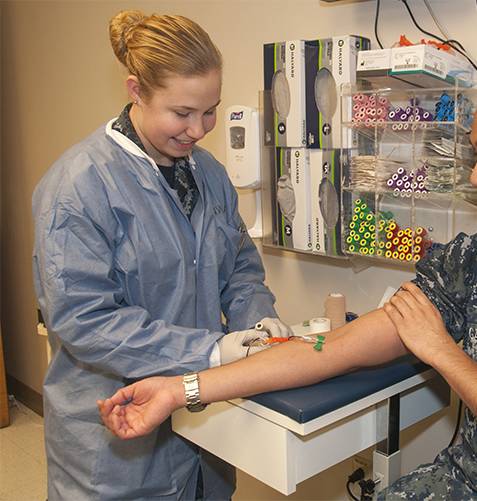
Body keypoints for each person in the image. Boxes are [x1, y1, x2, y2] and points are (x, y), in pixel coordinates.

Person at [99, 53, 477, 500]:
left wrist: (444, 355)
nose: (475, 175)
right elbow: (341, 346)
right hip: (462, 485)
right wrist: (185, 389)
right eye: (475, 152)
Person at [33, 10, 290, 501]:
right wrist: (211, 352)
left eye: (210, 110)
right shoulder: (78, 187)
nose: (199, 129)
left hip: (204, 434)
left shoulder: (209, 174)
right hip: (116, 445)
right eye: (182, 113)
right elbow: (85, 320)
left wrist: (258, 325)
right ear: (136, 91)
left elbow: (238, 270)